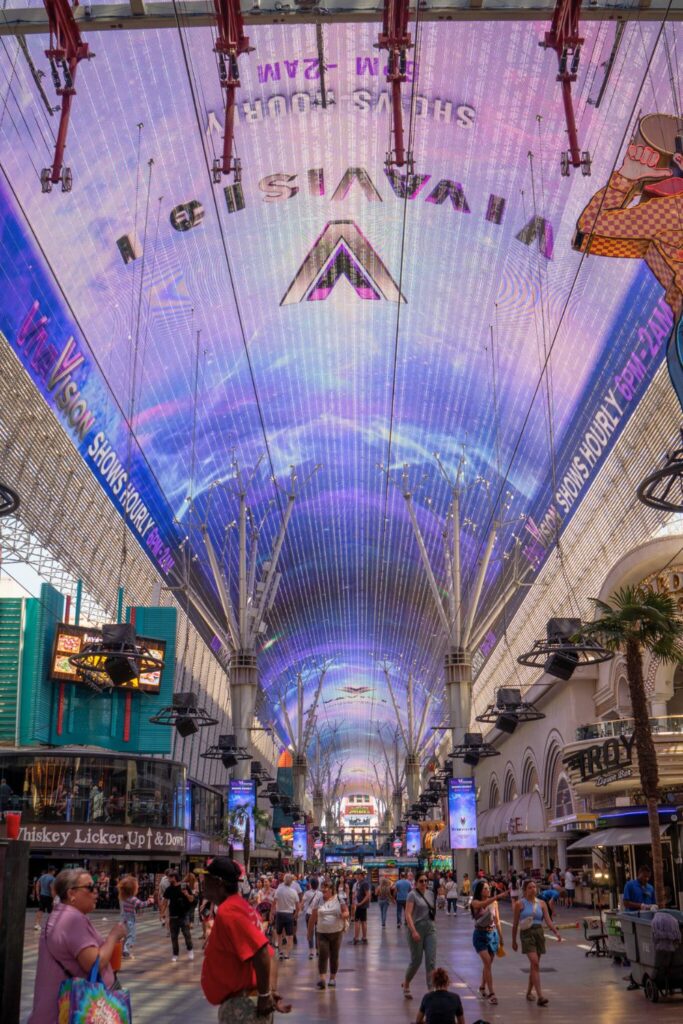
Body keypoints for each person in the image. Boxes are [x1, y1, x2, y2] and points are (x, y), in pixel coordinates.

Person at [28, 868, 126, 1024]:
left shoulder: (60, 915)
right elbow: (95, 963)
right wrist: (113, 936)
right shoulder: (72, 919)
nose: (96, 892)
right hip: (72, 1012)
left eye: (96, 887)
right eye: (90, 888)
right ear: (71, 893)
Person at [201, 857, 291, 1024]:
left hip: (242, 1008)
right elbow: (270, 954)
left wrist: (265, 995)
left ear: (218, 882)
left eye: (206, 878)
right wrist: (269, 991)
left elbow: (263, 951)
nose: (203, 883)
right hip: (245, 1003)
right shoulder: (243, 907)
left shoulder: (230, 912)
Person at [512, 878, 563, 1007]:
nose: (533, 889)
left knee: (534, 966)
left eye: (534, 887)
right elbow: (515, 924)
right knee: (534, 963)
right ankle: (540, 996)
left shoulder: (542, 903)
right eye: (530, 887)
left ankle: (529, 992)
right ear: (525, 890)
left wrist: (555, 931)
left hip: (539, 933)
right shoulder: (520, 904)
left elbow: (548, 920)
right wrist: (514, 940)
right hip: (527, 934)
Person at [470, 878, 507, 1007]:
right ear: (480, 891)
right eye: (485, 888)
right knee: (487, 962)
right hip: (480, 935)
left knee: (488, 964)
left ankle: (482, 987)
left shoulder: (494, 903)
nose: (488, 890)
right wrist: (497, 896)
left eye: (488, 888)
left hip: (492, 934)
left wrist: (501, 937)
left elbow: (497, 921)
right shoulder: (475, 902)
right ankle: (492, 993)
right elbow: (482, 905)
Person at [307, 878, 349, 990]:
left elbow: (347, 912)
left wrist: (342, 915)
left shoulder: (339, 899)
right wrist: (309, 932)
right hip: (322, 933)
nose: (323, 890)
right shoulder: (318, 899)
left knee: (334, 956)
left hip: (336, 932)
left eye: (325, 888)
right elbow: (313, 917)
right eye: (322, 888)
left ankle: (332, 978)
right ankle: (322, 979)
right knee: (323, 955)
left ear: (331, 889)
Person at [402, 872, 437, 1001]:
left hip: (430, 929)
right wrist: (413, 931)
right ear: (416, 882)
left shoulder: (430, 894)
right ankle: (406, 983)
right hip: (416, 928)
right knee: (416, 960)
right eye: (421, 881)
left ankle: (431, 989)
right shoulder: (412, 895)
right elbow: (408, 914)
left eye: (426, 881)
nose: (424, 883)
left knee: (431, 960)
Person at [118, 874, 154, 959]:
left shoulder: (123, 897)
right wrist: (149, 901)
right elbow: (141, 904)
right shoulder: (133, 899)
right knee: (131, 936)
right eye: (137, 887)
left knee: (126, 935)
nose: (138, 888)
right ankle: (126, 950)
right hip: (130, 920)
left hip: (124, 919)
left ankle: (122, 950)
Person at [163, 870, 195, 962]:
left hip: (184, 915)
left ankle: (190, 950)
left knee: (187, 935)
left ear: (175, 877)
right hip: (173, 916)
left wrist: (186, 894)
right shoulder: (169, 889)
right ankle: (175, 954)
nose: (168, 879)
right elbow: (165, 901)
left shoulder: (184, 886)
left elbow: (192, 899)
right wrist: (162, 913)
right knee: (174, 937)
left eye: (170, 877)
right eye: (168, 877)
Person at [272, 873, 300, 960]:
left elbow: (274, 902)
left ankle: (280, 951)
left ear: (284, 880)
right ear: (291, 882)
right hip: (289, 914)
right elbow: (297, 906)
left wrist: (273, 912)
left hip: (279, 913)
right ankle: (287, 954)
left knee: (279, 934)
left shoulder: (279, 890)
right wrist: (295, 915)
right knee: (290, 935)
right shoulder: (293, 892)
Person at [302, 877, 323, 958]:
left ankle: (311, 952)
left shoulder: (307, 893)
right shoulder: (320, 894)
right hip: (318, 914)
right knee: (318, 932)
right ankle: (318, 951)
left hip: (309, 914)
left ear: (310, 884)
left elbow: (302, 903)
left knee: (310, 932)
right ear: (318, 885)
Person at [34, 866, 56, 931]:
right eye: (54, 871)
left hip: (42, 895)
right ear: (53, 871)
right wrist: (54, 898)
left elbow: (37, 885)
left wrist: (37, 894)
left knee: (40, 910)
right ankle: (51, 925)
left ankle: (36, 924)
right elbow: (52, 888)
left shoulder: (42, 876)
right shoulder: (52, 878)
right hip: (49, 897)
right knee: (51, 911)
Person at [352, 869, 371, 944]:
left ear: (361, 875)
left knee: (358, 921)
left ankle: (357, 938)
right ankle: (363, 937)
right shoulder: (359, 883)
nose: (356, 876)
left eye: (357, 874)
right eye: (356, 874)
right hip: (360, 905)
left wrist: (360, 903)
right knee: (363, 921)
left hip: (361, 906)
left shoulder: (364, 883)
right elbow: (359, 892)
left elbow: (368, 895)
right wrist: (355, 896)